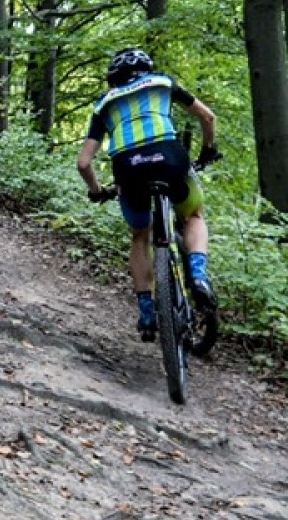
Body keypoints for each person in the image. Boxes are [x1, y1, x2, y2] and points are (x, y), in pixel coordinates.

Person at [76, 47, 220, 341]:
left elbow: (83, 162)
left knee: (140, 235)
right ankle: (198, 273)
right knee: (193, 214)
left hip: (128, 168)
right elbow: (208, 117)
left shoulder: (105, 103)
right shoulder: (162, 83)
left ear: (113, 79)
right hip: (169, 157)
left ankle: (146, 309)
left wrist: (97, 191)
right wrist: (207, 151)